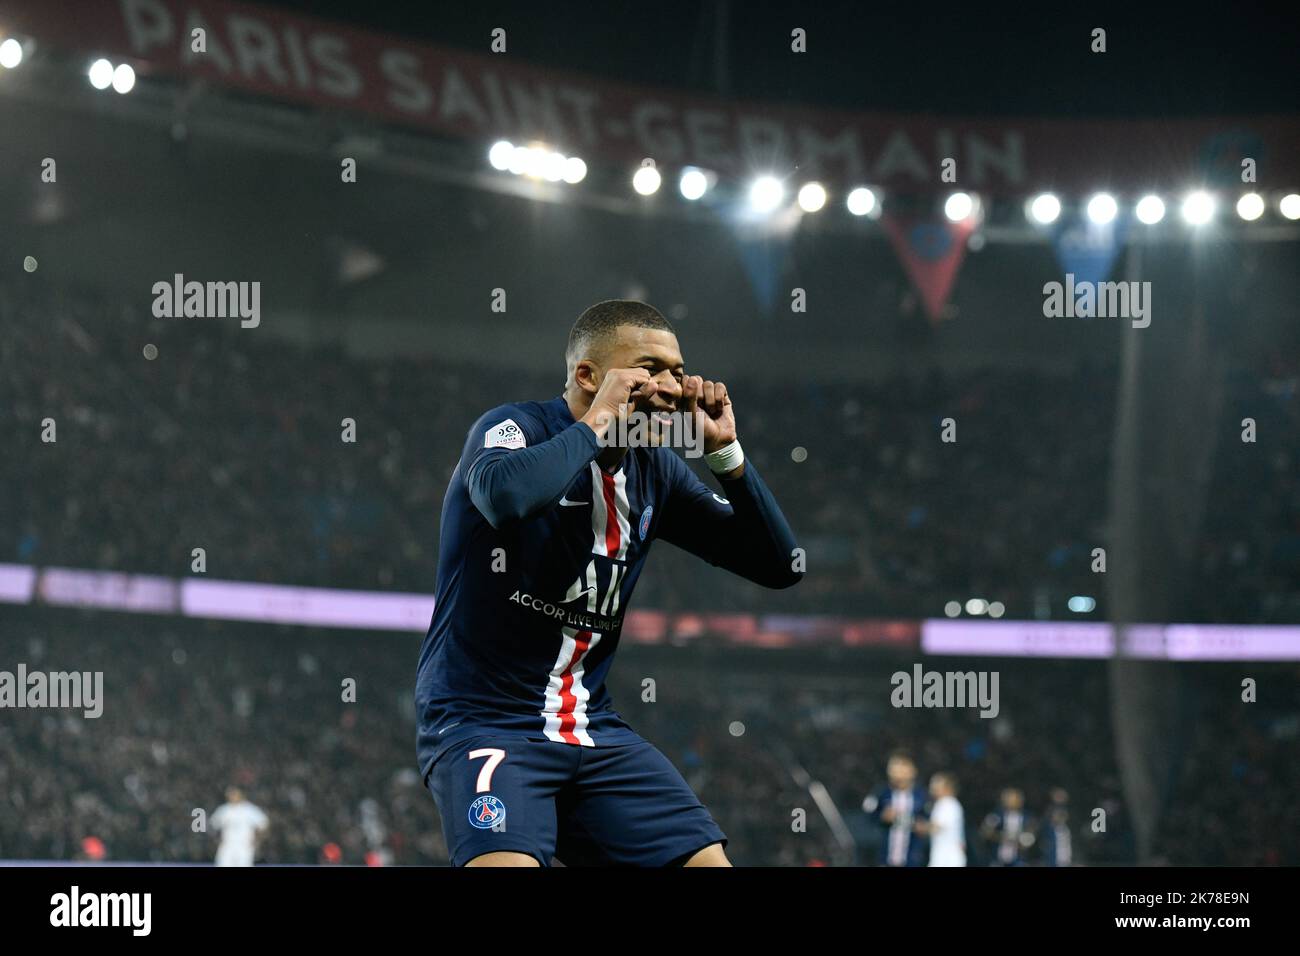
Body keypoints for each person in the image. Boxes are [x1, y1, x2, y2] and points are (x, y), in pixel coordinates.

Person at [416, 299, 802, 867]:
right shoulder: (514, 427)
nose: (673, 385)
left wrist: (725, 454)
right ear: (588, 375)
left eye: (677, 368)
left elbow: (780, 567)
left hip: (593, 728)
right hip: (484, 721)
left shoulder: (657, 470)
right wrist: (599, 420)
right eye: (650, 367)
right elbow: (505, 497)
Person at [862, 751, 929, 866]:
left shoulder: (922, 796)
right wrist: (882, 816)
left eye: (902, 768)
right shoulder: (881, 793)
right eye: (894, 768)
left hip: (913, 859)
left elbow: (928, 823)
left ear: (912, 771)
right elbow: (868, 815)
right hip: (884, 858)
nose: (898, 773)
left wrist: (922, 826)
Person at [210, 787, 269, 867]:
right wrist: (217, 840)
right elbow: (213, 825)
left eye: (235, 794)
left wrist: (257, 841)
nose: (232, 796)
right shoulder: (223, 810)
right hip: (227, 845)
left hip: (244, 845)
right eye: (230, 794)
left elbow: (263, 824)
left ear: (241, 795)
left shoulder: (250, 809)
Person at [919, 772, 966, 866]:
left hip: (947, 859)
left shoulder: (948, 803)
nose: (932, 787)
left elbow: (936, 827)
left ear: (948, 787)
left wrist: (918, 826)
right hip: (946, 857)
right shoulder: (946, 803)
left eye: (936, 783)